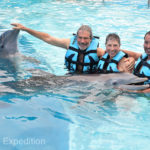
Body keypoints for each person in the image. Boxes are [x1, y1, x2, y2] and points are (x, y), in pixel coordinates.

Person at [11, 23, 139, 73]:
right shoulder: (69, 43)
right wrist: (26, 29)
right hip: (70, 76)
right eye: (80, 38)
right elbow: (48, 38)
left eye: (86, 38)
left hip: (88, 80)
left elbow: (118, 53)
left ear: (91, 39)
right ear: (76, 37)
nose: (82, 41)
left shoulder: (98, 51)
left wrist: (133, 58)